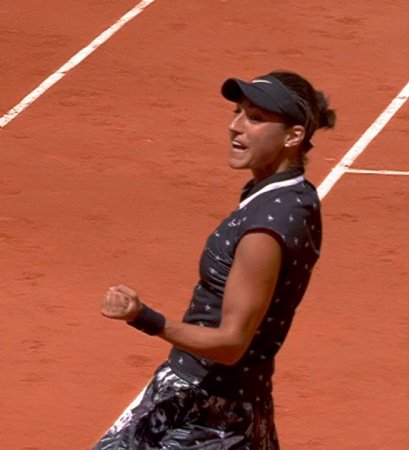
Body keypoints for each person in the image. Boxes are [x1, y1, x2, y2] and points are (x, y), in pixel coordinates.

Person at [94, 70, 336, 449]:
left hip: (208, 413)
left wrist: (144, 317)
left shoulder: (265, 228)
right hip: (214, 396)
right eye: (238, 112)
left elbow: (231, 342)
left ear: (294, 136)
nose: (235, 126)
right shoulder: (287, 197)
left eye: (255, 118)